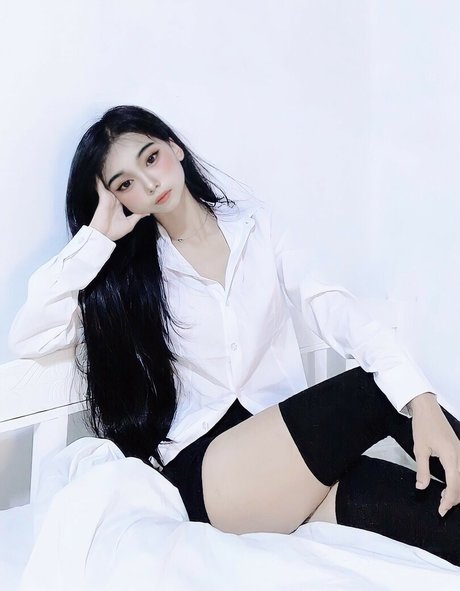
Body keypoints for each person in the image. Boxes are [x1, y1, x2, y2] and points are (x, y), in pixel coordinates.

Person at [8, 105, 460, 567]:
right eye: (125, 184)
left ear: (174, 148)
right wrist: (96, 239)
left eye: (150, 158)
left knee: (433, 514)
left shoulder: (255, 227)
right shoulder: (130, 277)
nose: (148, 184)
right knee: (376, 389)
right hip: (211, 477)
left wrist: (421, 400)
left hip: (288, 466)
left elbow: (332, 306)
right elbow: (32, 336)